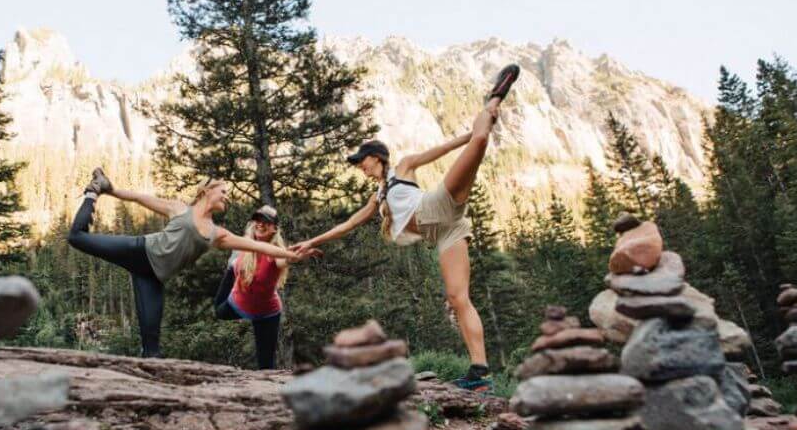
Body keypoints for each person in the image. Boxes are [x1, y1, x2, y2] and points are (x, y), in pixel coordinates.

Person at [293, 65, 521, 392]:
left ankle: (493, 99)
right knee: (458, 298)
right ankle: (480, 373)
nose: (360, 167)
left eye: (362, 161)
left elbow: (443, 149)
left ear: (376, 157)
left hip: (438, 205)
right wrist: (310, 241)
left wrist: (471, 136)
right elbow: (348, 224)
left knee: (482, 138)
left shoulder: (403, 167)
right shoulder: (378, 197)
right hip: (445, 232)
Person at [68, 171, 315, 358]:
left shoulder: (217, 233)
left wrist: (290, 255)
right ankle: (91, 194)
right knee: (76, 238)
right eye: (223, 192)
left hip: (152, 278)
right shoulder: (179, 209)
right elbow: (139, 198)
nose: (227, 197)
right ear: (207, 191)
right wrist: (108, 190)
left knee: (152, 349)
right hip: (139, 251)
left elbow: (259, 246)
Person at [213, 205, 289, 370]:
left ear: (275, 228)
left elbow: (284, 260)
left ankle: (268, 393)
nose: (260, 224)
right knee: (219, 311)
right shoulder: (243, 244)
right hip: (237, 302)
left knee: (266, 364)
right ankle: (232, 269)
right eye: (258, 220)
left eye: (266, 222)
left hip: (266, 312)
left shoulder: (277, 252)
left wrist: (294, 256)